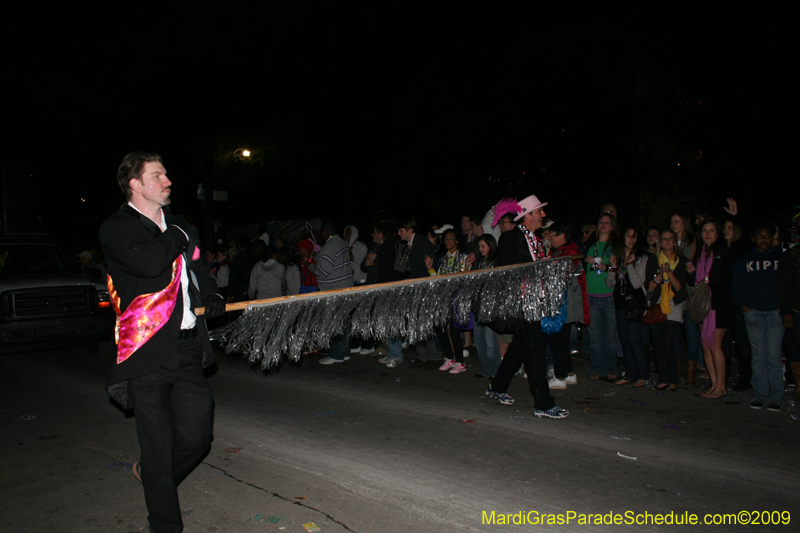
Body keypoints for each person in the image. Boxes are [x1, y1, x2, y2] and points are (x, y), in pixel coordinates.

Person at [99, 152, 225, 533]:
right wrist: (177, 232)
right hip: (145, 352)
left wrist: (212, 293)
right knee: (158, 446)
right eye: (158, 175)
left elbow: (197, 266)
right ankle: (166, 524)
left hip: (187, 348)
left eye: (167, 174)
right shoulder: (117, 229)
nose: (168, 181)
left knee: (197, 435)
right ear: (135, 185)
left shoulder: (180, 226)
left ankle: (154, 476)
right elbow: (152, 263)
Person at [485, 194, 569, 419]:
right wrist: (538, 268)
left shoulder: (537, 240)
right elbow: (508, 270)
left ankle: (498, 386)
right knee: (536, 351)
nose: (543, 215)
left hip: (535, 303)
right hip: (522, 305)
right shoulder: (510, 238)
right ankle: (543, 403)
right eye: (539, 212)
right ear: (527, 216)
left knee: (521, 349)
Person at [733, 223, 784, 410]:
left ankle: (776, 396)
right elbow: (736, 287)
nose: (764, 239)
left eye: (767, 236)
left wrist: (782, 307)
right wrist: (745, 307)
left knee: (773, 356)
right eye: (760, 236)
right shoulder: (744, 260)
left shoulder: (780, 258)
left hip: (775, 313)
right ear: (753, 239)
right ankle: (760, 394)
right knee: (758, 356)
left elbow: (787, 284)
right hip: (753, 313)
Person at [688, 218, 735, 399]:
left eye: (711, 230)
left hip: (719, 306)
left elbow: (726, 280)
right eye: (705, 231)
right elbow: (694, 281)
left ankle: (721, 386)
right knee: (705, 346)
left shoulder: (725, 252)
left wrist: (709, 280)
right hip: (703, 305)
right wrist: (691, 273)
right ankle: (714, 384)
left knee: (715, 346)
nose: (707, 234)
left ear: (718, 233)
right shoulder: (700, 254)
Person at [387, 218, 439, 368]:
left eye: (401, 230)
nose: (398, 233)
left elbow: (426, 269)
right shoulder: (411, 244)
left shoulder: (421, 244)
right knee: (415, 324)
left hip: (422, 289)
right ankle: (423, 356)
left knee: (422, 324)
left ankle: (433, 357)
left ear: (410, 230)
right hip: (415, 288)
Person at [645, 229, 688, 391]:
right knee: (658, 344)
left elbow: (679, 287)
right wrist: (657, 277)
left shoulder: (681, 261)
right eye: (664, 239)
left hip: (673, 304)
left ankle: (673, 378)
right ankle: (664, 378)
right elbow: (648, 287)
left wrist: (668, 271)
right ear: (660, 242)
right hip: (657, 304)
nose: (668, 242)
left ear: (675, 241)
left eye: (671, 239)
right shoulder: (653, 260)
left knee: (670, 343)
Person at [607, 225, 649, 387]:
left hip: (635, 302)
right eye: (629, 236)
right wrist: (612, 268)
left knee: (634, 339)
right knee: (624, 339)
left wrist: (630, 265)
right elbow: (609, 283)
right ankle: (630, 374)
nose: (631, 239)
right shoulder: (617, 256)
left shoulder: (641, 257)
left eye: (634, 237)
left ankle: (642, 374)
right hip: (620, 302)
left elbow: (638, 283)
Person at [307, 221, 354, 364]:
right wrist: (317, 256)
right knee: (344, 324)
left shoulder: (328, 247)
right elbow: (330, 259)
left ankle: (336, 355)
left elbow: (323, 271)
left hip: (333, 292)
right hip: (345, 289)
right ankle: (345, 352)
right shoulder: (340, 242)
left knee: (333, 324)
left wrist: (311, 267)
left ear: (325, 232)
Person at [546, 221, 586, 388]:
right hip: (564, 302)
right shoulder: (561, 251)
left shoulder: (569, 252)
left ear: (562, 236)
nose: (550, 238)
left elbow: (565, 276)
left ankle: (560, 377)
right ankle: (569, 374)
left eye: (552, 235)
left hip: (566, 303)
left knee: (559, 340)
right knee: (560, 339)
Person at [424, 228, 468, 374]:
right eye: (446, 239)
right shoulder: (443, 258)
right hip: (444, 298)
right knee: (441, 328)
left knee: (454, 331)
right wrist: (431, 269)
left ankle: (460, 361)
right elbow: (439, 279)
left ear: (457, 240)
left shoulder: (463, 257)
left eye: (451, 238)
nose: (447, 241)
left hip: (457, 298)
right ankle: (449, 357)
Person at [584, 213, 620, 381]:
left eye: (607, 222)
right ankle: (597, 367)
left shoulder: (615, 246)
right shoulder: (591, 243)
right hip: (591, 295)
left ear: (612, 227)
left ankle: (610, 368)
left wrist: (607, 267)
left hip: (608, 296)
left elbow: (620, 269)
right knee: (595, 336)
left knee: (610, 336)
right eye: (601, 222)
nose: (604, 225)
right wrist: (588, 260)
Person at [470, 234, 502, 378]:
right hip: (478, 304)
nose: (481, 249)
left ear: (491, 246)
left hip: (490, 305)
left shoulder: (497, 261)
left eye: (483, 246)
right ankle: (484, 369)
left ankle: (495, 371)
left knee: (490, 341)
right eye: (479, 247)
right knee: (479, 339)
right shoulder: (478, 262)